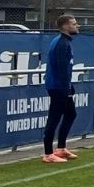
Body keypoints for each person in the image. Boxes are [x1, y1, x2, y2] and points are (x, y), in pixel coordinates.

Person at [41, 15, 80, 163]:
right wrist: (66, 88)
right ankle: (48, 153)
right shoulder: (61, 43)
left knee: (70, 114)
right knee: (54, 117)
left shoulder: (64, 42)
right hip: (58, 87)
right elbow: (61, 68)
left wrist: (69, 85)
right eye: (74, 24)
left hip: (61, 85)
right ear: (65, 26)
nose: (77, 26)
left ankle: (61, 148)